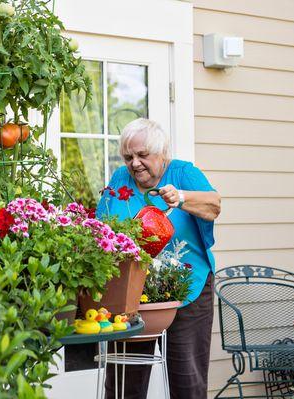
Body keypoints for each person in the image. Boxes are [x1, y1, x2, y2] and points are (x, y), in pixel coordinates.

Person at [96, 118, 221, 399]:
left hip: (186, 289)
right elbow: (102, 225)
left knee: (186, 380)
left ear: (161, 153)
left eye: (142, 155)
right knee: (124, 382)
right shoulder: (120, 179)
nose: (135, 163)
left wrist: (182, 197)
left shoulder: (182, 173)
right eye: (128, 157)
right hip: (133, 292)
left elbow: (214, 205)